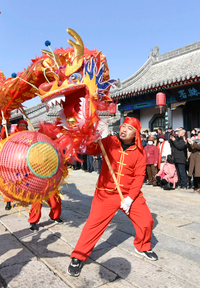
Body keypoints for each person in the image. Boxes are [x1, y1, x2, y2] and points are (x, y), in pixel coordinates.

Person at [67, 117, 158, 278]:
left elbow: (139, 177)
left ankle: (142, 246)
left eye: (129, 128)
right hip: (106, 193)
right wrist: (91, 139)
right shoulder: (109, 141)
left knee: (146, 220)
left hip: (129, 194)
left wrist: (130, 198)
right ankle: (78, 256)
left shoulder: (139, 153)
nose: (123, 130)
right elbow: (91, 150)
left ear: (136, 134)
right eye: (123, 126)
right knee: (93, 225)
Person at [187, 130, 200, 194]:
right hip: (195, 160)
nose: (198, 136)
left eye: (199, 135)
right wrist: (189, 143)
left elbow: (199, 147)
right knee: (196, 175)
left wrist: (192, 143)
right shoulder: (196, 141)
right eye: (198, 135)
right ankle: (198, 187)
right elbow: (190, 148)